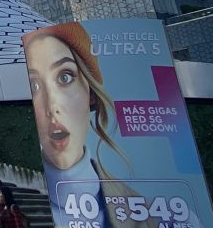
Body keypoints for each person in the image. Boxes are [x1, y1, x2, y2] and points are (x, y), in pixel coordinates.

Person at [23, 23, 170, 228]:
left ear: (90, 92)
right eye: (34, 85)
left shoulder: (146, 214)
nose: (52, 107)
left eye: (65, 77)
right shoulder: (15, 204)